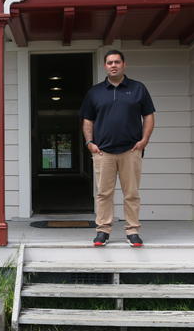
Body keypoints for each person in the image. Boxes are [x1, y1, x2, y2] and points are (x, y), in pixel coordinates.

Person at [81, 49, 155, 247]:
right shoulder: (95, 92)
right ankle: (102, 231)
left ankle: (132, 231)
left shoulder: (138, 89)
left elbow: (148, 115)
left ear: (124, 64)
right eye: (109, 62)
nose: (113, 65)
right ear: (105, 66)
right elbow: (87, 120)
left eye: (117, 62)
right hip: (103, 152)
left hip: (131, 151)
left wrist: (144, 140)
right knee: (104, 193)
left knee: (131, 193)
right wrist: (89, 143)